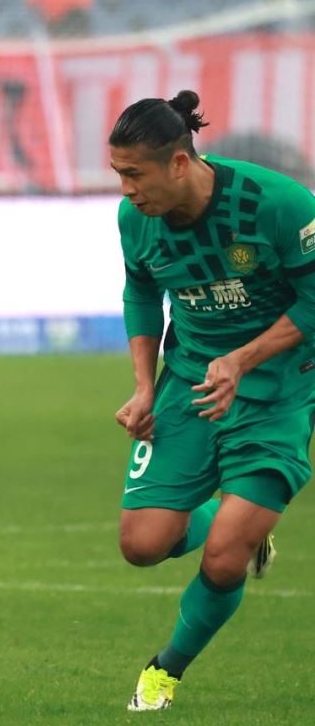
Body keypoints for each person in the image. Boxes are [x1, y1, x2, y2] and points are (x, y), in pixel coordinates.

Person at [111, 90, 315, 711]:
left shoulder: (277, 204)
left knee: (224, 558)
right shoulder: (136, 220)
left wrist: (243, 359)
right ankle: (239, 524)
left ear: (179, 163)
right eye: (118, 174)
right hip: (191, 380)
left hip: (280, 389)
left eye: (134, 174)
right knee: (142, 545)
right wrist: (144, 386)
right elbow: (140, 292)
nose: (125, 190)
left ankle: (164, 672)